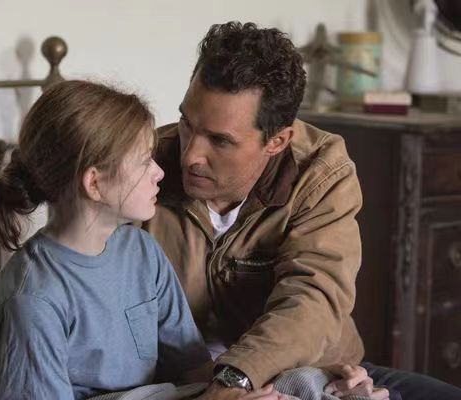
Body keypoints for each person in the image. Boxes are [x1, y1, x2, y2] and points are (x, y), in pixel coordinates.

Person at [143, 21, 461, 400]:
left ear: (277, 141)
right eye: (187, 123)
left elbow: (312, 298)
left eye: (220, 140)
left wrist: (234, 380)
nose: (191, 155)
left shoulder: (320, 172)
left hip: (313, 371)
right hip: (183, 378)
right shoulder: (142, 165)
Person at [0, 80, 213, 399]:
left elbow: (196, 369)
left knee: (284, 385)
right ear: (94, 183)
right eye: (144, 160)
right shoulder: (34, 300)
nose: (159, 172)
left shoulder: (142, 251)